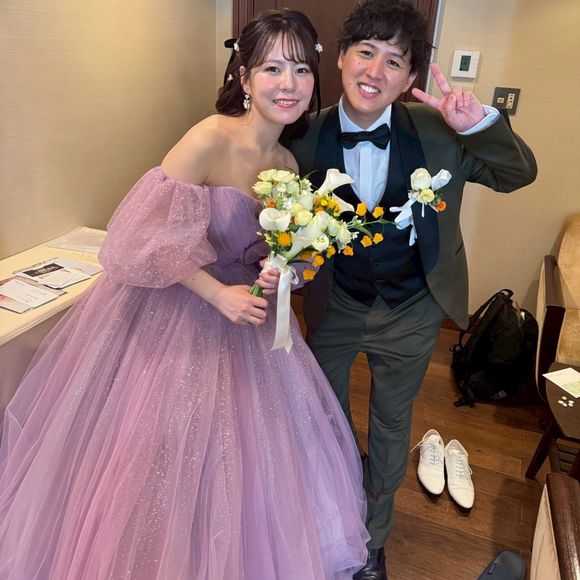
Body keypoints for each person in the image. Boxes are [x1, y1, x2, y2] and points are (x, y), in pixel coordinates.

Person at [0, 9, 370, 579]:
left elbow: (273, 249)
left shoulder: (287, 163)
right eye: (272, 68)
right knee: (162, 453)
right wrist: (217, 294)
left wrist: (281, 270)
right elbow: (135, 239)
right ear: (244, 77)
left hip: (246, 323)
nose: (289, 83)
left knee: (246, 458)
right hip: (174, 313)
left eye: (300, 69)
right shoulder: (208, 138)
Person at [289, 1, 537, 578]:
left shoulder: (439, 131)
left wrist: (479, 124)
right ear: (342, 57)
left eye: (394, 61)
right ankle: (335, 512)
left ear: (408, 79)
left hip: (414, 307)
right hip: (336, 302)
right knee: (322, 417)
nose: (375, 71)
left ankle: (374, 538)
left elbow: (517, 175)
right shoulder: (303, 136)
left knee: (391, 422)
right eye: (366, 52)